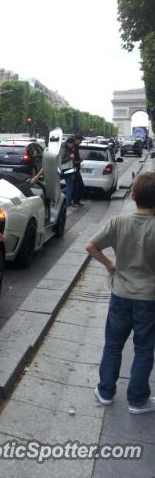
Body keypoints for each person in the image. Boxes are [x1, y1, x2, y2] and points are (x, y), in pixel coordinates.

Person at [86, 172, 155, 414]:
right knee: (144, 348)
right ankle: (137, 401)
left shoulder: (119, 222)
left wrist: (109, 264)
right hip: (149, 298)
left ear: (133, 195)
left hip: (120, 294)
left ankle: (105, 391)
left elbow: (90, 246)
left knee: (113, 344)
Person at [72, 133, 85, 206]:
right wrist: (79, 161)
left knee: (77, 185)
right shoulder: (74, 147)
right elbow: (72, 160)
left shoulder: (76, 147)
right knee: (79, 185)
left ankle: (76, 200)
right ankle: (75, 200)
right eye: (80, 140)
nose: (81, 142)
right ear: (77, 139)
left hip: (76, 169)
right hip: (74, 169)